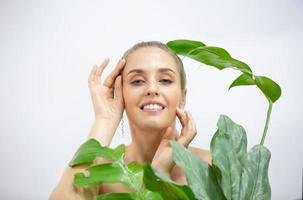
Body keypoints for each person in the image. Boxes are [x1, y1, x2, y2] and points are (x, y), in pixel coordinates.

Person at [50, 41, 212, 199]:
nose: (152, 89)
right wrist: (105, 120)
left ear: (182, 97)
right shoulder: (101, 173)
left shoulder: (212, 167)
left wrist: (159, 173)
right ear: (120, 94)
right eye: (138, 81)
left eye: (165, 80)